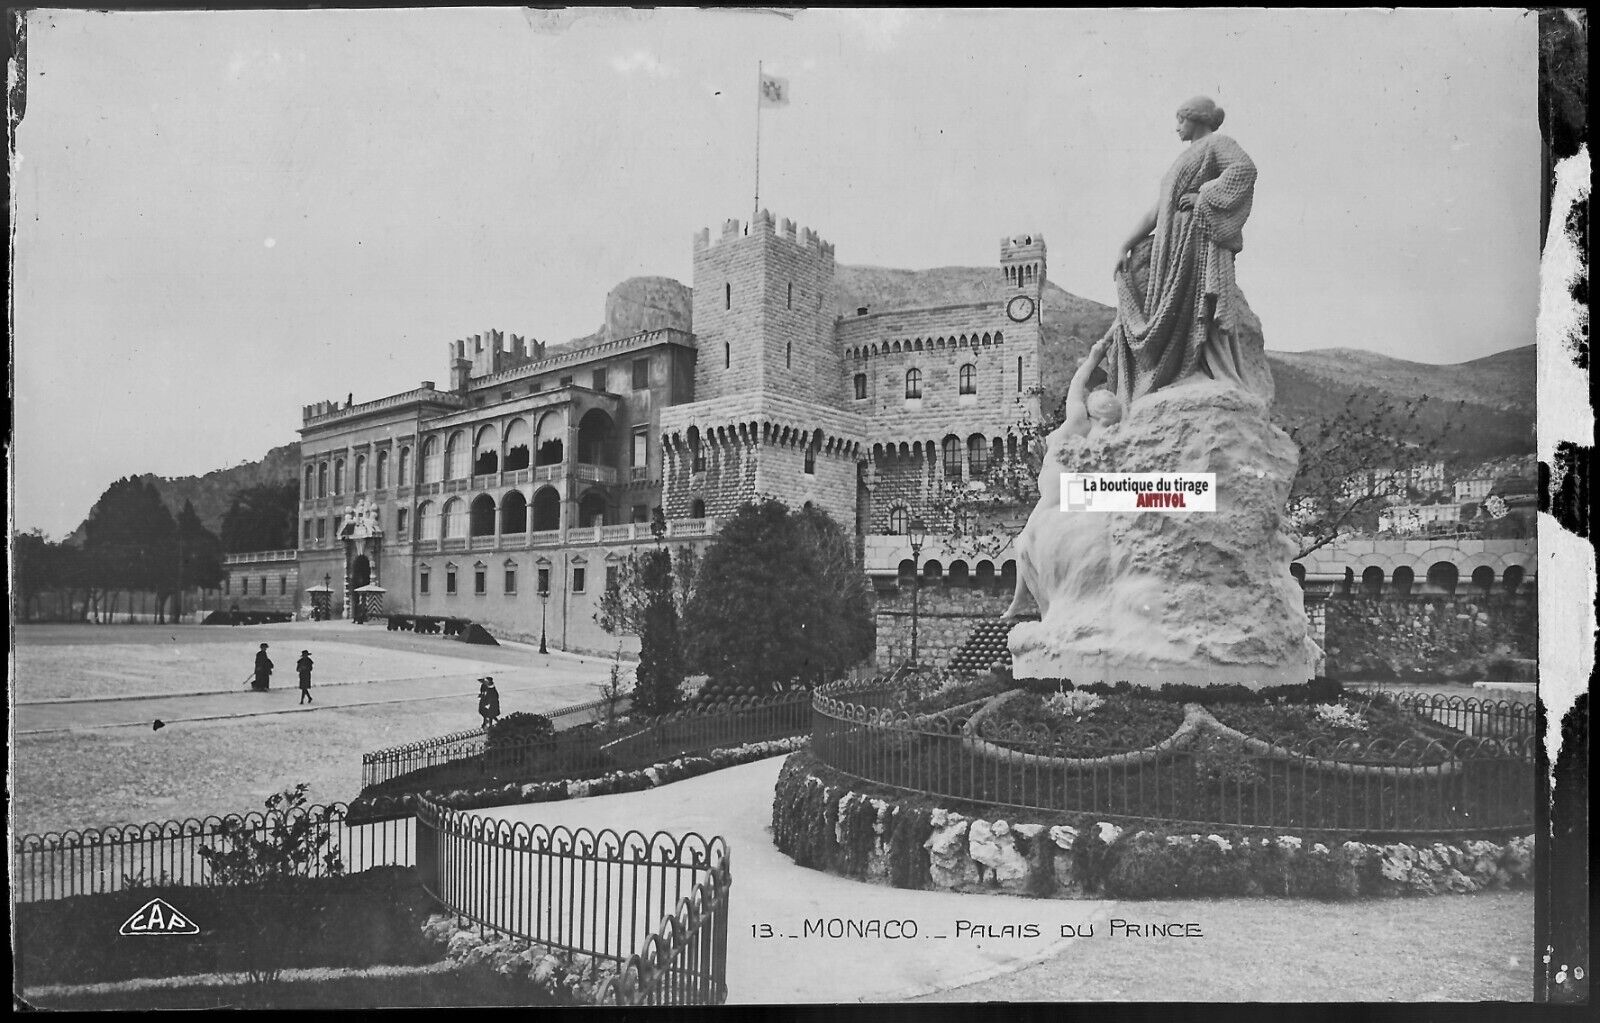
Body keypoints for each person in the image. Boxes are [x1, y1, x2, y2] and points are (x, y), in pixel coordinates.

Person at [1101, 95, 1271, 408]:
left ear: (1197, 118)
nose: (1177, 127)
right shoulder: (1181, 160)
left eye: (1181, 120)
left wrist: (1204, 196)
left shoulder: (1217, 144)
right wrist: (1126, 243)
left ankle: (1204, 368)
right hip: (1171, 245)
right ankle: (1172, 373)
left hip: (1194, 239)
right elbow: (1157, 210)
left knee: (1195, 306)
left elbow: (1245, 170)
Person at [1002, 336, 1123, 622]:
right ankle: (1019, 602)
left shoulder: (1078, 420)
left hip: (1057, 488)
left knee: (1025, 540)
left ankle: (1017, 603)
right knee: (1025, 541)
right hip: (1063, 488)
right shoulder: (1101, 432)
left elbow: (1076, 385)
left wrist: (1095, 356)